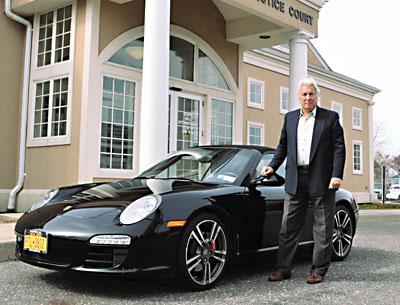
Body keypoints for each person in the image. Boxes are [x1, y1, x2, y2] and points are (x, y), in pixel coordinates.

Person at [261, 77, 345, 284]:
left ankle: (318, 270)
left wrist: (336, 175)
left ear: (317, 96)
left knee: (322, 228)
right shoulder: (289, 118)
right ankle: (283, 268)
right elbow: (282, 146)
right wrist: (272, 165)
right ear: (299, 97)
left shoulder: (330, 118)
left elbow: (339, 149)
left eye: (311, 94)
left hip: (322, 179)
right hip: (294, 178)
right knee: (287, 227)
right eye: (304, 94)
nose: (307, 98)